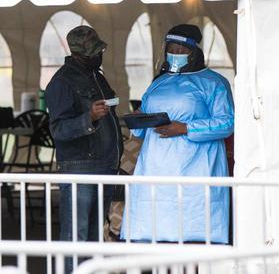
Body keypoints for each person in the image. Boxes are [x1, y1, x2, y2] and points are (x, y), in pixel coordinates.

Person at [122, 24, 234, 244]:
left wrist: (185, 128)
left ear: (194, 52)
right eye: (172, 49)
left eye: (182, 50)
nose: (176, 54)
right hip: (154, 168)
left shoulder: (214, 83)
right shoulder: (158, 82)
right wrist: (139, 118)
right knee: (154, 232)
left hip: (196, 168)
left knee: (193, 235)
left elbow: (227, 123)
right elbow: (141, 130)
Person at [45, 26, 123, 271]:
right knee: (75, 235)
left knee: (93, 235)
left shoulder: (97, 76)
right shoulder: (62, 82)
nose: (99, 56)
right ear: (78, 54)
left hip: (104, 165)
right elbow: (58, 130)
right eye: (94, 52)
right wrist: (88, 117)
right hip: (80, 167)